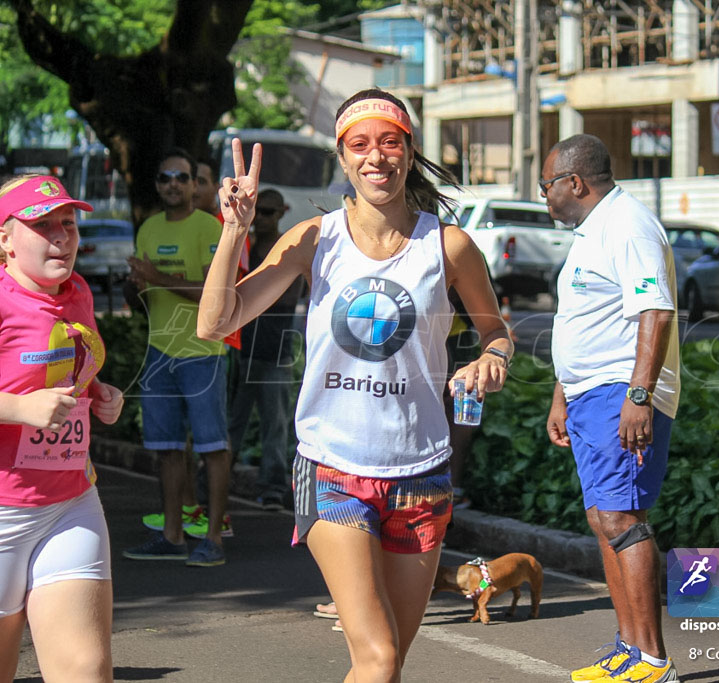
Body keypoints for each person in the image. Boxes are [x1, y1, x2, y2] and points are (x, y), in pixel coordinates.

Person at [197, 88, 512, 681]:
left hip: (422, 475)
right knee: (378, 655)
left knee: (387, 662)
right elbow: (215, 323)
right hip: (333, 467)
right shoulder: (314, 240)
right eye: (359, 145)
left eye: (390, 142)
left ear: (409, 151)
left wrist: (491, 359)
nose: (376, 157)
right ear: (343, 158)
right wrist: (233, 231)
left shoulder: (449, 246)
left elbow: (497, 333)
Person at [543, 134, 680, 683]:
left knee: (622, 518)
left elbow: (654, 310)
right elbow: (582, 321)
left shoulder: (627, 224)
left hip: (619, 391)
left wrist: (639, 396)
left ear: (574, 182)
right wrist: (561, 394)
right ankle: (630, 648)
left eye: (547, 185)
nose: (546, 197)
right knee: (604, 518)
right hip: (589, 394)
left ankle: (653, 661)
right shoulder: (593, 231)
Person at [0, 175, 125, 681]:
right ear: (4, 237)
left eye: (68, 223)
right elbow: (24, 394)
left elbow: (65, 366)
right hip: (4, 511)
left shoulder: (77, 293)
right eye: (42, 224)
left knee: (86, 670)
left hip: (71, 503)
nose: (62, 236)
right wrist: (16, 408)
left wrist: (99, 392)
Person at [122, 149, 232, 567]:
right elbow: (147, 297)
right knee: (167, 448)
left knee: (212, 447)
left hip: (204, 352)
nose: (173, 183)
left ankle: (214, 540)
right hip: (159, 353)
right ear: (157, 184)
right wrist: (135, 286)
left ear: (192, 184)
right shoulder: (148, 228)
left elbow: (214, 293)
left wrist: (155, 277)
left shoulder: (209, 226)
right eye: (165, 177)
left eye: (181, 177)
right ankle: (172, 537)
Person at [227, 189, 302, 511]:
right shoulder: (245, 247)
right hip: (242, 349)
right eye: (259, 212)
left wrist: (245, 295)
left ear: (282, 212)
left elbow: (284, 298)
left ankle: (272, 487)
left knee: (276, 424)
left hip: (275, 351)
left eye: (269, 213)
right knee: (232, 422)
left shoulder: (289, 249)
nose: (261, 219)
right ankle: (214, 484)